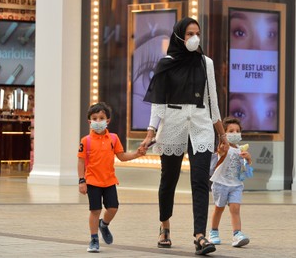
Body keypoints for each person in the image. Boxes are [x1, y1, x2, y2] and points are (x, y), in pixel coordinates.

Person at [141, 17, 229, 255]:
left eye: (197, 33)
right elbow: (158, 102)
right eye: (189, 34)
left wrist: (222, 134)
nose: (194, 38)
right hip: (173, 124)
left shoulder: (205, 63)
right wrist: (150, 133)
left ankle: (200, 236)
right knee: (169, 179)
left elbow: (212, 100)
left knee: (200, 181)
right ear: (179, 36)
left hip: (201, 125)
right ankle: (164, 225)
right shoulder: (166, 63)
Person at [77, 102, 146, 253]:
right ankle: (94, 239)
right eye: (94, 118)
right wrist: (82, 181)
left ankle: (104, 225)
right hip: (92, 181)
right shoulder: (85, 141)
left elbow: (122, 156)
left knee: (113, 208)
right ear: (89, 121)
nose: (98, 121)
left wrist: (136, 154)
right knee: (95, 210)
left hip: (109, 181)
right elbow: (81, 162)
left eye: (101, 118)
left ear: (107, 121)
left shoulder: (113, 139)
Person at [207, 117, 253, 248]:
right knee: (219, 208)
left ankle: (237, 234)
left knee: (235, 208)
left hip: (236, 185)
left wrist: (248, 160)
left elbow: (246, 171)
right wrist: (222, 153)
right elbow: (215, 166)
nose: (235, 133)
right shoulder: (223, 148)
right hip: (221, 183)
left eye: (237, 131)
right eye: (231, 131)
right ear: (224, 134)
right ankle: (213, 232)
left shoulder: (241, 150)